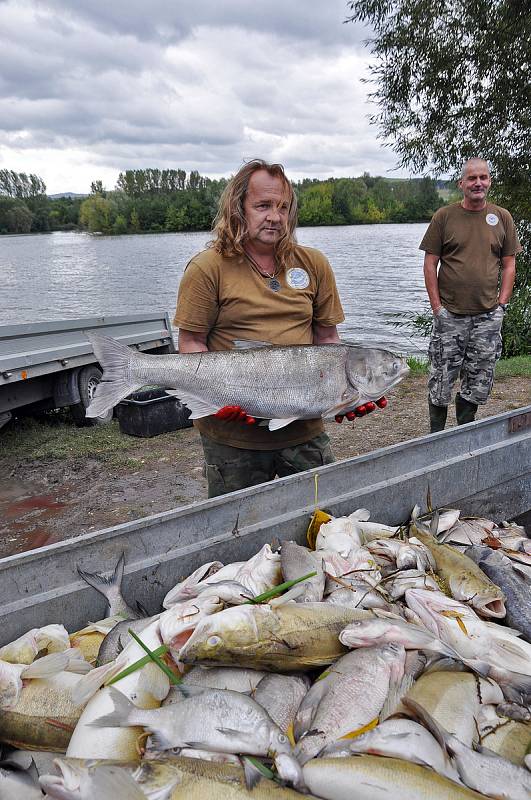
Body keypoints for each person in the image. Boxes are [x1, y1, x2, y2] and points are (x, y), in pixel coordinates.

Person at [174, 158, 383, 497]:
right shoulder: (207, 268)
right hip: (233, 437)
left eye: (283, 207)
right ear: (237, 207)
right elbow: (191, 344)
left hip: (303, 432)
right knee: (237, 528)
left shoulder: (313, 263)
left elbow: (328, 339)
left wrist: (349, 392)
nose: (274, 216)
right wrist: (216, 397)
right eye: (263, 205)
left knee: (322, 520)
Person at [419, 157, 521, 433]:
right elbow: (430, 264)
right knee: (441, 380)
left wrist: (501, 305)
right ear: (461, 183)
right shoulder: (444, 217)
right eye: (472, 178)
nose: (478, 183)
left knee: (478, 380)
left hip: (487, 317)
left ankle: (465, 431)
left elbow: (509, 264)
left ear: (489, 181)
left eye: (483, 178)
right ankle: (436, 436)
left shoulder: (502, 217)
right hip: (450, 316)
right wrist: (437, 308)